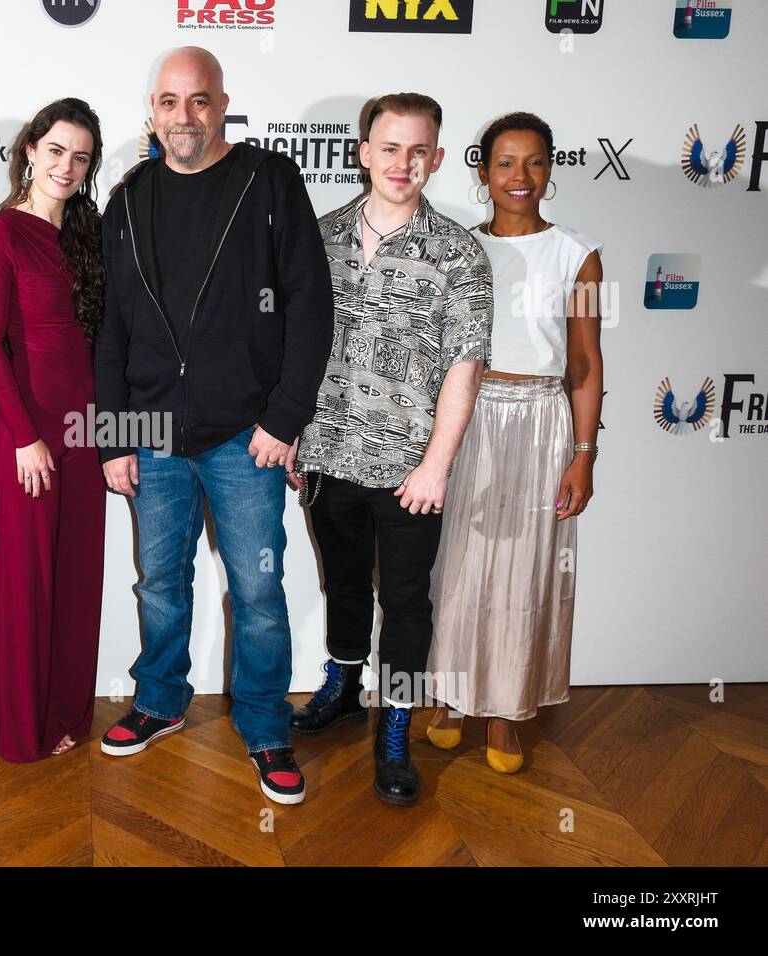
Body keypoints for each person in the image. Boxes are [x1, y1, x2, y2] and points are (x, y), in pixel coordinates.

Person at [93, 47, 332, 805]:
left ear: (223, 103)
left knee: (257, 591)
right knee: (161, 583)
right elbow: (111, 331)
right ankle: (161, 700)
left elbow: (310, 303)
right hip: (154, 432)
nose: (183, 117)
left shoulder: (269, 181)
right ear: (152, 111)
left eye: (198, 101)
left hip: (246, 434)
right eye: (169, 102)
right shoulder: (127, 199)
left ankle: (266, 725)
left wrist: (285, 417)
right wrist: (112, 434)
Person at [289, 93, 493, 807]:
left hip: (412, 471)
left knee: (405, 605)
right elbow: (295, 347)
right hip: (327, 455)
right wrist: (293, 435)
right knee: (343, 585)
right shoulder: (320, 236)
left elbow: (465, 366)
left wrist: (437, 464)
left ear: (437, 159)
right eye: (389, 147)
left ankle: (397, 725)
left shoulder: (461, 252)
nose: (402, 163)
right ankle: (345, 687)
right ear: (363, 151)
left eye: (418, 150)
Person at [424, 112, 604, 773]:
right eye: (505, 163)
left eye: (532, 162)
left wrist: (584, 455)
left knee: (528, 572)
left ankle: (504, 713)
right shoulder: (460, 250)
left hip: (543, 422)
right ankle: (448, 698)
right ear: (483, 173)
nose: (519, 177)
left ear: (550, 169)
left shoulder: (577, 254)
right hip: (470, 416)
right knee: (459, 567)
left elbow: (585, 363)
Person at [0, 99, 107, 762]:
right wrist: (24, 435)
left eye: (80, 156)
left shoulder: (89, 235)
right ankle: (24, 729)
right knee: (28, 585)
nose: (66, 166)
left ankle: (66, 714)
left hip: (84, 435)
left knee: (77, 578)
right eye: (56, 150)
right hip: (28, 437)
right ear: (30, 149)